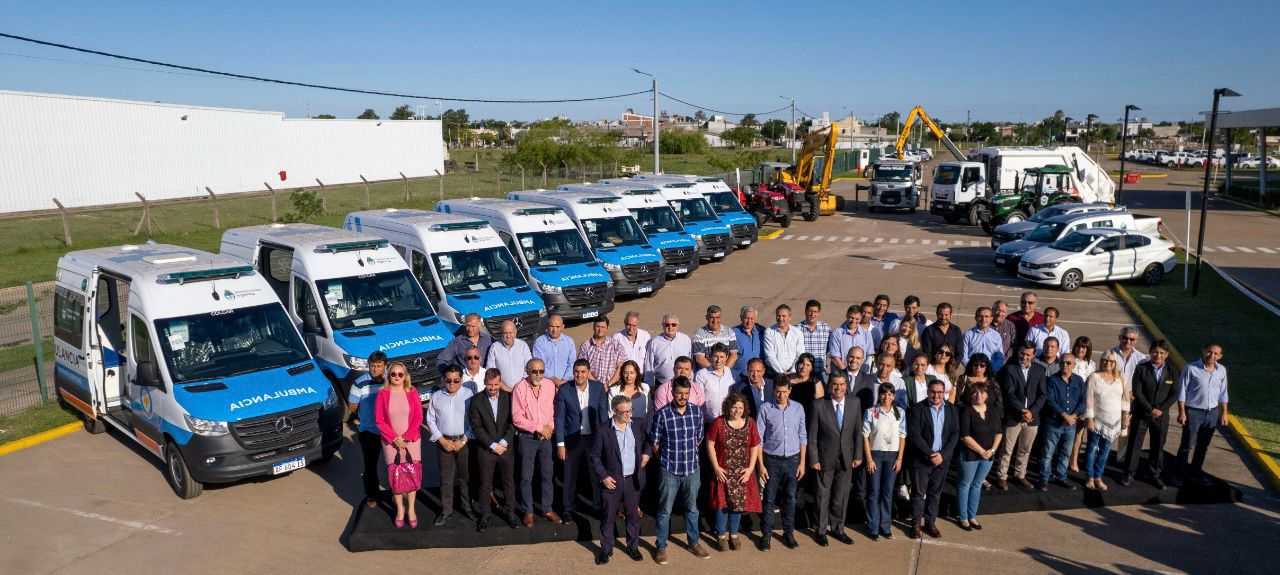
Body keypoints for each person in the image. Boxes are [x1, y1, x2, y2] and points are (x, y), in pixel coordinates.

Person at [648, 377, 709, 563]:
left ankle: (694, 542)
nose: (682, 397)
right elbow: (655, 443)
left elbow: (699, 438)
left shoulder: (697, 413)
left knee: (692, 509)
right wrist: (666, 461)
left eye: (685, 393)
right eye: (678, 393)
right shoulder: (663, 414)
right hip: (669, 470)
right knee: (664, 510)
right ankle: (661, 547)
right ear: (672, 393)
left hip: (692, 469)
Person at [591, 395, 650, 565]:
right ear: (614, 411)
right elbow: (594, 456)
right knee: (608, 516)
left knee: (633, 516)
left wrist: (647, 454)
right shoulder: (603, 430)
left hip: (633, 480)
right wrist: (603, 476)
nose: (627, 415)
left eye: (629, 411)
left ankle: (632, 546)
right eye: (623, 412)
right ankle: (606, 549)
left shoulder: (637, 425)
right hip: (612, 481)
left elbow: (649, 441)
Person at [807, 371, 863, 546]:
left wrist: (858, 455)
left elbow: (858, 431)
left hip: (847, 458)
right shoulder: (818, 405)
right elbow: (813, 435)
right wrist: (814, 458)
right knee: (822, 496)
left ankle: (838, 529)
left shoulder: (855, 403)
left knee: (841, 496)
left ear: (846, 386)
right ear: (829, 386)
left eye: (842, 384)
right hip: (824, 459)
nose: (838, 388)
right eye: (835, 384)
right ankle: (821, 531)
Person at [706, 393, 762, 552]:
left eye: (740, 407)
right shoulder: (718, 422)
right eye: (734, 407)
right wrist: (716, 467)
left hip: (741, 472)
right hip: (723, 471)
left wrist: (751, 469)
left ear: (744, 408)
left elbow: (754, 446)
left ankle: (734, 534)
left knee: (737, 505)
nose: (737, 410)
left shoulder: (750, 423)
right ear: (728, 407)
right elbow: (710, 444)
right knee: (722, 505)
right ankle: (721, 535)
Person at [1121, 340, 1181, 488]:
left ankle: (1155, 474)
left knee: (1158, 445)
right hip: (1142, 413)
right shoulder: (1141, 368)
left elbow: (1174, 393)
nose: (1158, 355)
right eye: (1155, 352)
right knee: (1135, 444)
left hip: (1161, 415)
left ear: (1166, 355)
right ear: (1150, 352)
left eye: (1161, 353)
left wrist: (1161, 409)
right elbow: (1137, 391)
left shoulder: (1173, 371)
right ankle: (1129, 473)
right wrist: (1150, 409)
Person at [757, 377, 808, 550]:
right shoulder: (765, 408)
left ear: (790, 391)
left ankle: (788, 533)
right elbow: (759, 440)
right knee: (769, 499)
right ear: (773, 391)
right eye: (778, 391)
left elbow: (803, 436)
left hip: (793, 460)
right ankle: (766, 535)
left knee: (790, 498)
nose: (781, 395)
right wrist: (761, 465)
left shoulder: (798, 408)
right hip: (771, 460)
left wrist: (802, 463)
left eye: (785, 391)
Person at [554, 359, 609, 520]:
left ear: (588, 372)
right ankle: (567, 509)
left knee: (596, 475)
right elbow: (560, 419)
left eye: (583, 371)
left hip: (593, 439)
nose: (579, 375)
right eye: (577, 371)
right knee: (570, 475)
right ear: (573, 372)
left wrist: (604, 441)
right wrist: (560, 444)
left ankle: (598, 506)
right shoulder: (565, 390)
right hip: (572, 439)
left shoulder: (598, 388)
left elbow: (603, 416)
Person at [466, 368, 519, 532]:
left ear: (500, 382)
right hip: (486, 449)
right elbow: (476, 427)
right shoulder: (476, 401)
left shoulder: (508, 398)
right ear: (484, 383)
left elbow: (513, 422)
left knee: (508, 482)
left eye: (496, 384)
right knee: (485, 484)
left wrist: (503, 442)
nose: (493, 388)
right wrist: (492, 445)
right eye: (490, 385)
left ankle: (510, 513)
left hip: (506, 448)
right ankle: (485, 515)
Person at [511, 358, 562, 526]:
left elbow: (555, 411)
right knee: (526, 476)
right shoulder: (520, 388)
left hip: (546, 438)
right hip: (528, 438)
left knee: (548, 475)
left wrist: (550, 429)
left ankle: (547, 508)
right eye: (534, 371)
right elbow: (517, 418)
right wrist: (539, 427)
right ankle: (528, 511)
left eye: (541, 371)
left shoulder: (549, 385)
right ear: (527, 371)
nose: (538, 375)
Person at [907, 380, 958, 539]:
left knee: (935, 494)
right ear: (928, 392)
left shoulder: (951, 409)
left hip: (942, 460)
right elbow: (915, 435)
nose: (936, 395)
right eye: (933, 392)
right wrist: (930, 454)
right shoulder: (917, 408)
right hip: (922, 460)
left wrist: (942, 455)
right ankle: (915, 525)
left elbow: (955, 434)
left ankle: (930, 523)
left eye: (940, 392)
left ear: (944, 393)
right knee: (918, 493)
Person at [375, 361, 423, 529]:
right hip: (391, 442)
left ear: (405, 376)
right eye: (393, 374)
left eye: (400, 374)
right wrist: (395, 438)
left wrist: (407, 437)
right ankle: (400, 510)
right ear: (389, 375)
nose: (396, 377)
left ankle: (411, 510)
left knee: (411, 474)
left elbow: (418, 417)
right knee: (395, 477)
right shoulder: (382, 394)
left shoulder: (412, 392)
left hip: (412, 441)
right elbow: (379, 421)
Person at [994, 343, 1047, 491]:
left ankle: (1020, 475)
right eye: (1022, 353)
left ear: (1033, 355)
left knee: (1025, 449)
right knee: (1007, 449)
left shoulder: (1040, 370)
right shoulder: (1010, 369)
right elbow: (1009, 393)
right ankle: (1002, 476)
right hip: (1014, 416)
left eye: (1028, 355)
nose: (1024, 357)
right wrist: (1023, 411)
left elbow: (1042, 395)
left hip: (1032, 418)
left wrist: (1032, 412)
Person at [426, 365, 475, 526]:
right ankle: (446, 511)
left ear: (461, 380)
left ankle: (468, 508)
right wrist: (441, 440)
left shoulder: (469, 395)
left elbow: (474, 420)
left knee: (465, 478)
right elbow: (430, 419)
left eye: (456, 380)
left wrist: (464, 440)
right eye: (448, 380)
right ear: (443, 380)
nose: (452, 384)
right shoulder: (437, 396)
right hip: (444, 442)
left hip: (463, 442)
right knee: (446, 479)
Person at [1176, 343, 1229, 486]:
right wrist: (1182, 412)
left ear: (1220, 356)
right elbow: (1181, 391)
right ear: (1204, 351)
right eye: (1209, 352)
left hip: (1212, 413)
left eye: (1216, 354)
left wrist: (1224, 413)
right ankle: (1179, 475)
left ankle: (1195, 472)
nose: (1212, 356)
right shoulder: (1191, 368)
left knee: (1203, 446)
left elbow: (1223, 393)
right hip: (1193, 412)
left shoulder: (1222, 371)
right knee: (1187, 444)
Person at [956, 383, 1003, 531]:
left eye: (982, 393)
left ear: (987, 395)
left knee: (977, 485)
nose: (979, 396)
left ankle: (972, 516)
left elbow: (999, 433)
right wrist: (982, 451)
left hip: (988, 455)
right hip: (970, 455)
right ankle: (963, 517)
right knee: (965, 484)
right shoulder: (966, 411)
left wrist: (993, 450)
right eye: (975, 393)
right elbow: (964, 436)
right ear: (970, 395)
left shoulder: (993, 411)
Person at [862, 382, 906, 540]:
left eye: (890, 394)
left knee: (887, 493)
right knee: (874, 492)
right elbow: (865, 436)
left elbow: (902, 436)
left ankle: (885, 526)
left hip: (892, 456)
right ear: (879, 395)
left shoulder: (899, 412)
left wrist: (900, 458)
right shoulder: (872, 411)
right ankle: (873, 527)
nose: (886, 397)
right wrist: (869, 459)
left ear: (894, 396)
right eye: (883, 393)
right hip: (876, 455)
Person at [1039, 356, 1086, 492]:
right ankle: (1044, 478)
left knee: (1065, 452)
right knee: (1048, 452)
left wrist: (1074, 416)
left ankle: (1061, 475)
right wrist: (1064, 415)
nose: (1065, 365)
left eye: (1068, 363)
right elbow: (1050, 400)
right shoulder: (1052, 380)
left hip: (1071, 424)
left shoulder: (1079, 380)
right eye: (1062, 362)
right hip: (1054, 423)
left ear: (1074, 364)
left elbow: (1083, 401)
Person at [348, 351, 388, 508]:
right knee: (370, 466)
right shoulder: (359, 383)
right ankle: (372, 495)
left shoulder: (391, 380)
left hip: (389, 433)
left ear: (385, 366)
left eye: (379, 366)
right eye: (372, 366)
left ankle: (397, 492)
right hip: (368, 432)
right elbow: (352, 406)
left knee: (393, 464)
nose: (375, 369)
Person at [1085, 352, 1129, 491]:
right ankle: (1090, 477)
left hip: (1114, 421)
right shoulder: (1094, 377)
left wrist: (1124, 421)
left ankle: (1098, 476)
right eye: (1104, 360)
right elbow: (1089, 399)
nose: (1107, 363)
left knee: (1105, 451)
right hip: (1097, 420)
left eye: (1110, 361)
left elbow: (1125, 401)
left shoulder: (1120, 378)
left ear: (1115, 363)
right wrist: (1090, 419)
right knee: (1092, 449)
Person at [1068, 336, 1097, 474]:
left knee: (1078, 434)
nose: (1081, 349)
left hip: (1083, 403)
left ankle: (1073, 460)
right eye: (1079, 346)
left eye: (1084, 347)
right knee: (1066, 433)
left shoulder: (1091, 365)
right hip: (1069, 401)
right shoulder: (1069, 360)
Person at [579, 316, 627, 386]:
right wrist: (597, 386)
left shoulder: (616, 345)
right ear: (593, 327)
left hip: (613, 386)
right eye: (598, 326)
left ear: (607, 328)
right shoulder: (586, 346)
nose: (600, 330)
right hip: (592, 386)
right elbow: (582, 368)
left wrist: (609, 384)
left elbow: (621, 367)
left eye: (603, 327)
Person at [828, 304, 876, 375]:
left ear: (861, 318)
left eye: (857, 319)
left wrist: (861, 373)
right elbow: (835, 356)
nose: (853, 321)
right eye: (851, 318)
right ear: (847, 316)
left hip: (860, 374)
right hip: (841, 373)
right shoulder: (837, 333)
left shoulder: (866, 333)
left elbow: (869, 355)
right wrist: (846, 372)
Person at [645, 314, 691, 386]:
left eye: (673, 324)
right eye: (667, 325)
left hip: (683, 384)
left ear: (678, 325)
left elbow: (690, 361)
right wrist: (649, 386)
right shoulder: (654, 342)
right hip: (662, 383)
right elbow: (649, 365)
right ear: (663, 326)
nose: (670, 327)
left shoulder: (686, 339)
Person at [487, 320, 533, 391]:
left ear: (515, 333)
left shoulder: (523, 346)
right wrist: (506, 388)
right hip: (502, 391)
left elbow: (529, 368)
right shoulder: (494, 347)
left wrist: (520, 387)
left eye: (510, 333)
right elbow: (491, 371)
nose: (508, 336)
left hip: (523, 389)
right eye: (505, 333)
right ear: (501, 333)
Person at [696, 343, 737, 422]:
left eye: (722, 357)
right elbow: (699, 399)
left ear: (726, 357)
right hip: (708, 421)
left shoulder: (729, 372)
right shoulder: (701, 374)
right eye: (715, 356)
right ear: (710, 357)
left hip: (726, 419)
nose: (718, 360)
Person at [692, 304, 740, 370]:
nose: (715, 321)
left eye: (717, 317)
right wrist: (714, 372)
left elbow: (733, 355)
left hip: (724, 373)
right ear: (706, 317)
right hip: (707, 374)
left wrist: (724, 371)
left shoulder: (729, 332)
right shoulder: (699, 334)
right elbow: (700, 358)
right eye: (712, 317)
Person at [533, 314, 575, 387]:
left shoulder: (569, 341)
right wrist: (554, 380)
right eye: (552, 326)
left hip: (566, 383)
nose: (554, 330)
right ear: (547, 326)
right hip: (546, 383)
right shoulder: (539, 342)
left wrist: (564, 381)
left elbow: (572, 363)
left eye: (557, 327)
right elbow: (540, 365)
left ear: (563, 327)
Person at [764, 304, 805, 377]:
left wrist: (792, 371)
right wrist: (781, 372)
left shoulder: (798, 333)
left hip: (793, 373)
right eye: (778, 316)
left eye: (783, 316)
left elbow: (800, 354)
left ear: (789, 317)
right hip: (774, 374)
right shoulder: (769, 332)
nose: (780, 318)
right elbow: (770, 355)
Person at [962, 306, 1005, 371]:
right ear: (976, 318)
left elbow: (999, 356)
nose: (983, 319)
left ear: (991, 319)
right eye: (980, 316)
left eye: (986, 316)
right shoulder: (968, 335)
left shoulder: (996, 336)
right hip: (972, 371)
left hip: (991, 372)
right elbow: (963, 357)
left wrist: (991, 370)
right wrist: (973, 369)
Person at [609, 360, 651, 425]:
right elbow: (611, 413)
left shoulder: (645, 388)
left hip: (641, 427)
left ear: (637, 374)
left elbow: (649, 411)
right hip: (621, 426)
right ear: (622, 374)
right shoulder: (614, 390)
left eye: (632, 373)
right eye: (626, 373)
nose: (628, 377)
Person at [798, 299, 832, 376]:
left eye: (815, 312)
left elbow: (830, 349)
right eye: (810, 311)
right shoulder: (797, 329)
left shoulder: (826, 328)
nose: (812, 314)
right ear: (805, 311)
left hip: (821, 372)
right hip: (803, 373)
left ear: (819, 313)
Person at [732, 305, 766, 381]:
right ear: (741, 318)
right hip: (739, 377)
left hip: (758, 376)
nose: (749, 321)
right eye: (746, 318)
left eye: (752, 318)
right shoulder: (732, 333)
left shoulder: (762, 331)